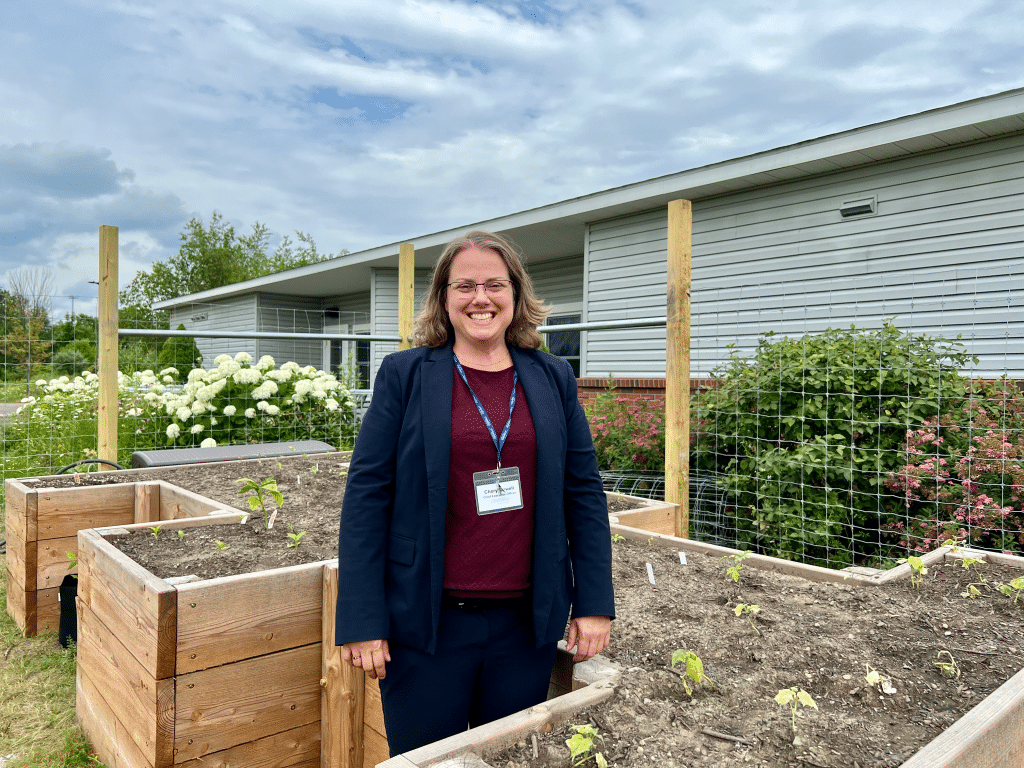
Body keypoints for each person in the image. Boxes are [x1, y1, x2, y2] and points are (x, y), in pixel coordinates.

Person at [335, 230, 614, 755]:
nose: (480, 298)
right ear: (444, 297)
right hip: (425, 627)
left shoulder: (552, 376)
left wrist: (594, 603)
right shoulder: (407, 374)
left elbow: (583, 492)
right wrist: (361, 619)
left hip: (523, 628)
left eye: (494, 284)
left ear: (515, 294)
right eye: (465, 286)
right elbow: (366, 495)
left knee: (506, 760)